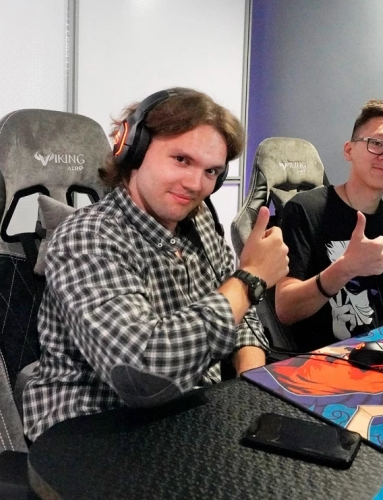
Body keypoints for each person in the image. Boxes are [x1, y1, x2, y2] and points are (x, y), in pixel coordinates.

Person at [23, 87, 288, 441]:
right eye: (181, 159)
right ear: (134, 150)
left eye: (211, 171)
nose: (195, 185)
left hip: (188, 417)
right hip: (94, 431)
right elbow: (142, 374)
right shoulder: (88, 236)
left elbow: (242, 312)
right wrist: (250, 278)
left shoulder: (199, 222)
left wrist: (250, 387)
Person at [275, 100, 383, 352]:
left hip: (380, 354)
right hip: (320, 361)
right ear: (349, 150)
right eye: (377, 143)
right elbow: (285, 309)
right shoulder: (305, 209)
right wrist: (346, 268)